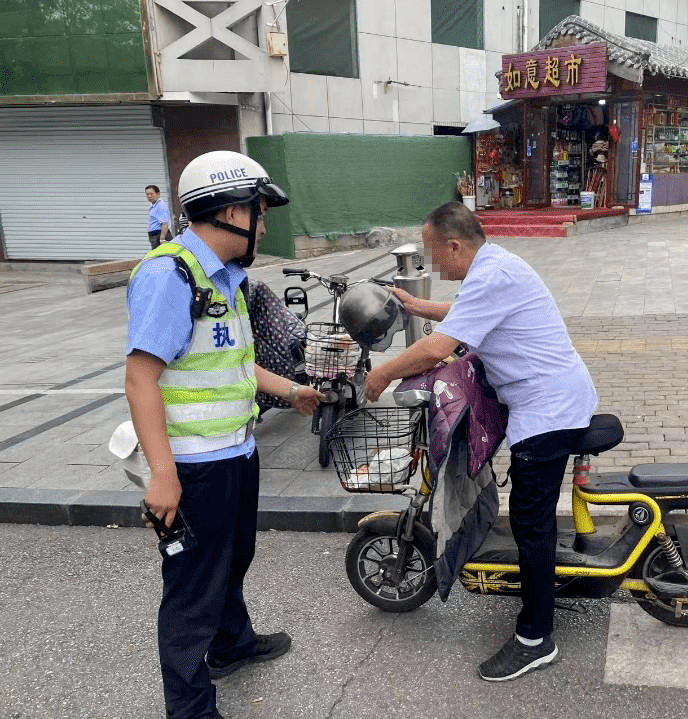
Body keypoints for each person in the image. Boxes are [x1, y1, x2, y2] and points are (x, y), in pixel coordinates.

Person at [363, 201, 597, 682]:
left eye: (435, 252)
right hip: (553, 399)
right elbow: (463, 314)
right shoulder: (495, 266)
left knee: (533, 527)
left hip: (548, 412)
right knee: (532, 521)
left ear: (454, 245)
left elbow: (436, 347)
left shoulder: (490, 275)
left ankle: (535, 639)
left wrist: (382, 373)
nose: (434, 263)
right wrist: (417, 305)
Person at [125, 151, 321, 719]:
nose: (263, 224)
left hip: (236, 450)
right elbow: (141, 379)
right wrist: (162, 476)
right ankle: (190, 708)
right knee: (191, 592)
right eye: (259, 212)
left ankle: (231, 643)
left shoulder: (227, 280)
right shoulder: (171, 275)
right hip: (192, 466)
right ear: (231, 211)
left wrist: (289, 391)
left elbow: (235, 362)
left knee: (232, 560)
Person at [145, 184, 172, 249]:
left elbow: (165, 224)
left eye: (151, 194)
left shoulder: (161, 205)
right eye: (147, 194)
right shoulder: (153, 206)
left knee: (161, 257)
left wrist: (162, 239)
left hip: (159, 235)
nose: (149, 196)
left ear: (158, 194)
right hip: (154, 236)